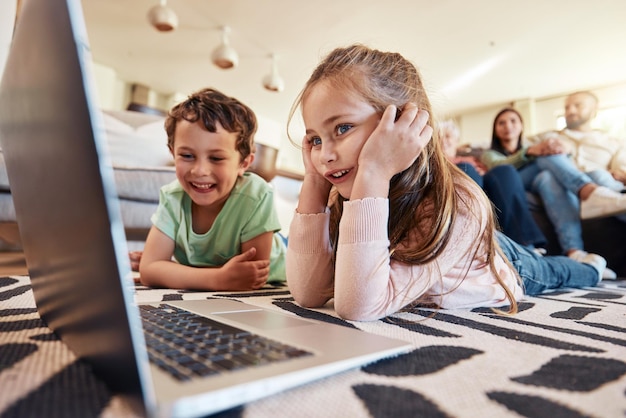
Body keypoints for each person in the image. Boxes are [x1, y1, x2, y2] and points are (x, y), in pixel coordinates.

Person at [284, 44, 604, 322]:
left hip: (502, 263)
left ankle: (592, 262)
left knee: (560, 272)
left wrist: (374, 171)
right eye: (314, 138)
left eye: (341, 129)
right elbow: (308, 294)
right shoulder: (343, 197)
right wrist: (313, 181)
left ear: (405, 124)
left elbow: (358, 307)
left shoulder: (461, 203)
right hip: (447, 258)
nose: (324, 154)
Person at [136, 87, 286, 290]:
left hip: (283, 258)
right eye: (187, 156)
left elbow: (250, 276)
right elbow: (149, 270)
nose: (199, 171)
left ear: (244, 163)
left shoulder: (257, 195)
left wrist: (171, 271)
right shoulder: (172, 197)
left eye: (216, 158)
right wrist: (218, 279)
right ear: (173, 153)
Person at [481, 107, 626, 279]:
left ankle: (574, 251)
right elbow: (500, 167)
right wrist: (530, 152)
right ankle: (589, 191)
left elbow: (561, 165)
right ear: (495, 129)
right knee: (545, 155)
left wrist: (563, 150)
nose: (508, 126)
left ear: (521, 126)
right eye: (501, 123)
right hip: (516, 182)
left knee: (548, 178)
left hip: (540, 180)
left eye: (513, 121)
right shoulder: (489, 153)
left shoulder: (535, 146)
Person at [439, 120, 546, 250]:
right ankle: (475, 244)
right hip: (465, 189)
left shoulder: (474, 158)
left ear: (457, 141)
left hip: (489, 189)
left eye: (448, 136)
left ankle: (526, 246)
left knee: (505, 171)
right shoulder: (435, 163)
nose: (443, 140)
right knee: (465, 168)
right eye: (439, 136)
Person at [528, 91, 626, 188]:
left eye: (578, 106)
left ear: (593, 111)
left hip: (602, 184)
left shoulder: (614, 142)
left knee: (599, 175)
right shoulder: (548, 137)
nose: (571, 111)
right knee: (546, 178)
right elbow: (520, 150)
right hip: (562, 187)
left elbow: (621, 171)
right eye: (567, 108)